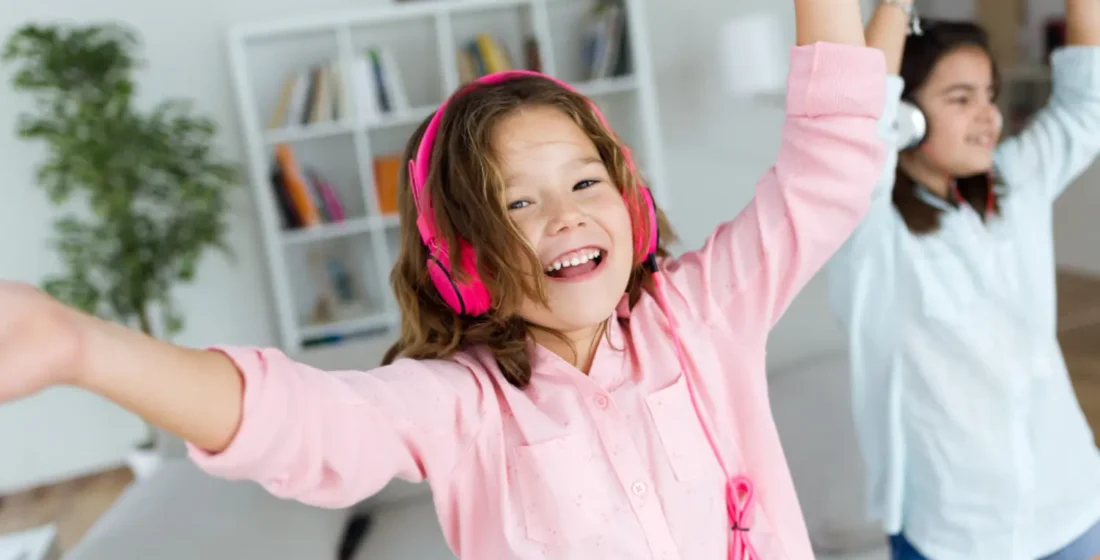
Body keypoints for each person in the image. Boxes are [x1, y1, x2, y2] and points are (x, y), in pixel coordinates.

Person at [0, 1, 888, 557]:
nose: (564, 216)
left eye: (584, 184)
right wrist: (85, 347)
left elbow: (830, 170)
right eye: (516, 205)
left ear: (631, 205)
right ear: (463, 262)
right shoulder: (463, 407)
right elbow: (302, 425)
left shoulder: (703, 314)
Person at [828, 0, 1100, 559]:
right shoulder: (871, 237)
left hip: (1070, 502)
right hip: (956, 533)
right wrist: (896, 8)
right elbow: (858, 127)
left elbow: (1085, 105)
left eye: (989, 96)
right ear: (904, 117)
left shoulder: (1015, 184)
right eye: (960, 98)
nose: (989, 116)